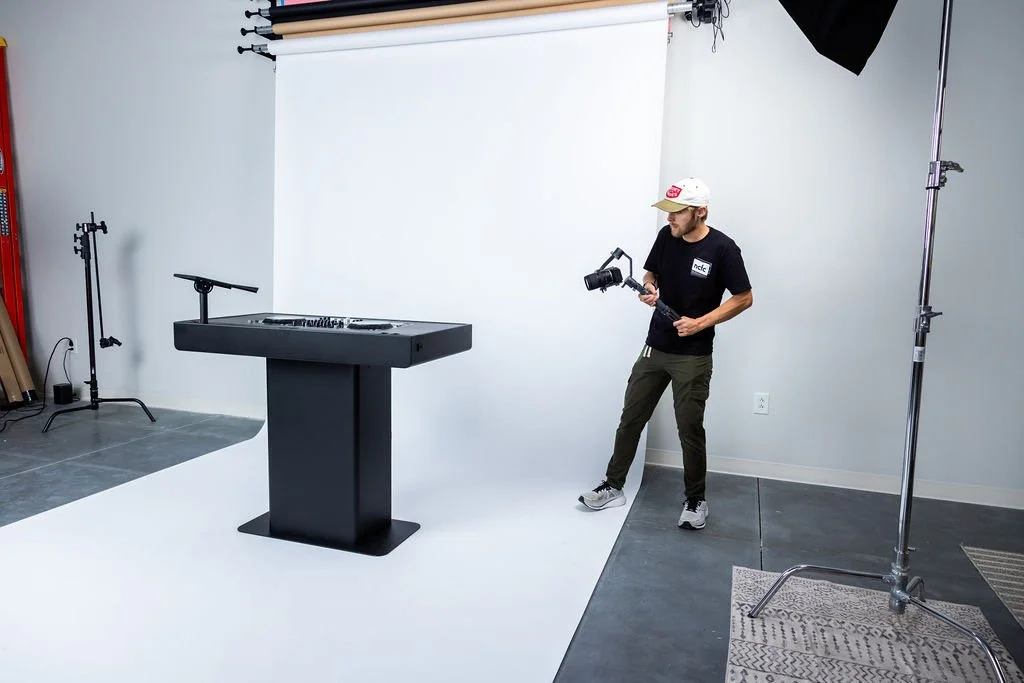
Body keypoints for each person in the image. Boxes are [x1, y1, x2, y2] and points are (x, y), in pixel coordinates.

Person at [578, 177, 753, 530]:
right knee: (631, 417)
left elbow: (744, 297)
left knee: (689, 428)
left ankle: (695, 500)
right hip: (655, 346)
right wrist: (649, 288)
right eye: (667, 211)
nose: (669, 218)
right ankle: (613, 486)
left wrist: (700, 323)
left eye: (677, 212)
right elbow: (650, 273)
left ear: (700, 212)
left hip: (693, 355)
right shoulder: (666, 237)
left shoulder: (724, 249)